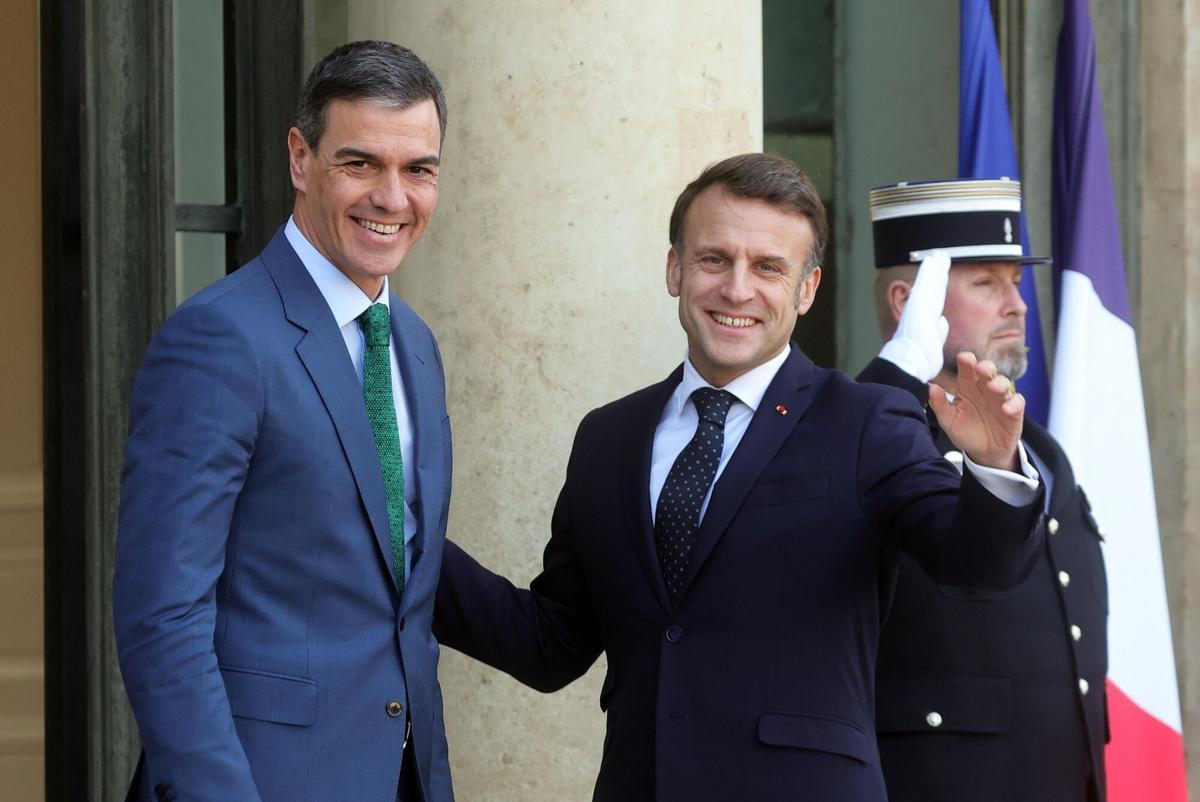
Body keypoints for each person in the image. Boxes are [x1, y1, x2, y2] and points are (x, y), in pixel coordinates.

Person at [434, 153, 1050, 801]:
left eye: (768, 268)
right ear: (675, 269)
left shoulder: (865, 421)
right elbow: (549, 644)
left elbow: (977, 565)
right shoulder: (608, 438)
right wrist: (397, 537)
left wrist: (994, 468)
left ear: (806, 290)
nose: (736, 289)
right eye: (713, 259)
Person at [113, 41, 455, 802]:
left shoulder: (413, 343)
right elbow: (162, 615)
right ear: (301, 159)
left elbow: (389, 545)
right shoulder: (220, 337)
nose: (392, 198)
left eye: (418, 170)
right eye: (360, 163)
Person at [859, 177, 1107, 802]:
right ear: (907, 302)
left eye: (1016, 282)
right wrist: (895, 375)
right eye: (986, 283)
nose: (1018, 305)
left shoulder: (1040, 450)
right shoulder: (868, 441)